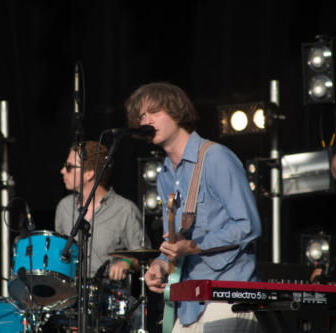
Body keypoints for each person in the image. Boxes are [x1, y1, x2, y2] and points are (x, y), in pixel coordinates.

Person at [125, 82, 262, 332]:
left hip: (228, 294)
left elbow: (248, 225)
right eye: (141, 116)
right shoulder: (165, 175)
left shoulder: (215, 157)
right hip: (187, 302)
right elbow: (179, 239)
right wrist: (160, 264)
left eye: (154, 112)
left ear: (176, 111)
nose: (146, 120)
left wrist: (196, 246)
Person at [55, 140, 148, 330]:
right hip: (71, 296)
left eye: (69, 167)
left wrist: (127, 262)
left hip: (109, 297)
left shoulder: (125, 209)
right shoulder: (64, 207)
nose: (62, 171)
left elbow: (146, 257)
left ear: (89, 174)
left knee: (137, 313)